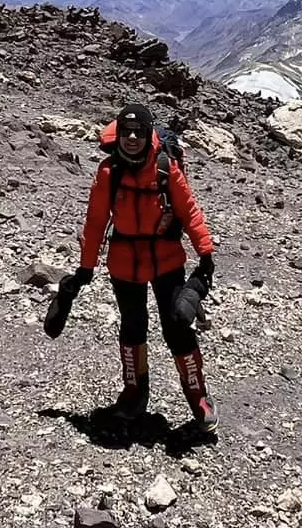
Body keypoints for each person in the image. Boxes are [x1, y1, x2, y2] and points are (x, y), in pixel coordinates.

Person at [74, 102, 218, 428]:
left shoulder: (166, 168)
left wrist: (205, 254)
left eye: (140, 132)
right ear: (119, 135)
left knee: (177, 326)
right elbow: (96, 222)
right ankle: (134, 394)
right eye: (127, 132)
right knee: (132, 328)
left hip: (166, 259)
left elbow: (190, 211)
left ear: (149, 132)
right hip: (124, 263)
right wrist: (86, 267)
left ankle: (198, 396)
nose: (133, 138)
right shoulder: (109, 173)